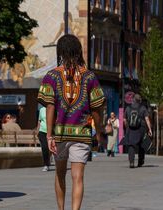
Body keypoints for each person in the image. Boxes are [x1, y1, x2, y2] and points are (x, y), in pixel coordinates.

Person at [37, 34, 105, 210]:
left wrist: (49, 135)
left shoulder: (51, 76)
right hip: (81, 134)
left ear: (60, 51)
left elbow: (49, 107)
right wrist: (99, 132)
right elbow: (97, 109)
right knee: (78, 177)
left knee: (60, 174)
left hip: (59, 134)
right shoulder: (90, 77)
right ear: (78, 51)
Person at [123, 94, 152, 168]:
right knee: (141, 144)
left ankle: (131, 162)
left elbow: (124, 119)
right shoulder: (143, 108)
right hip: (141, 128)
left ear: (133, 99)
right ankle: (140, 162)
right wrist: (149, 129)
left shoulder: (128, 108)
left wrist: (127, 127)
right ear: (140, 100)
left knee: (131, 145)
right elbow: (147, 119)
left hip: (131, 128)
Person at [36, 106, 52, 171]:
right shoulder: (41, 109)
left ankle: (49, 159)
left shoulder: (52, 108)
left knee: (50, 148)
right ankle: (46, 165)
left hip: (51, 131)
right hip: (42, 131)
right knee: (44, 147)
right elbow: (39, 121)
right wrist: (37, 131)